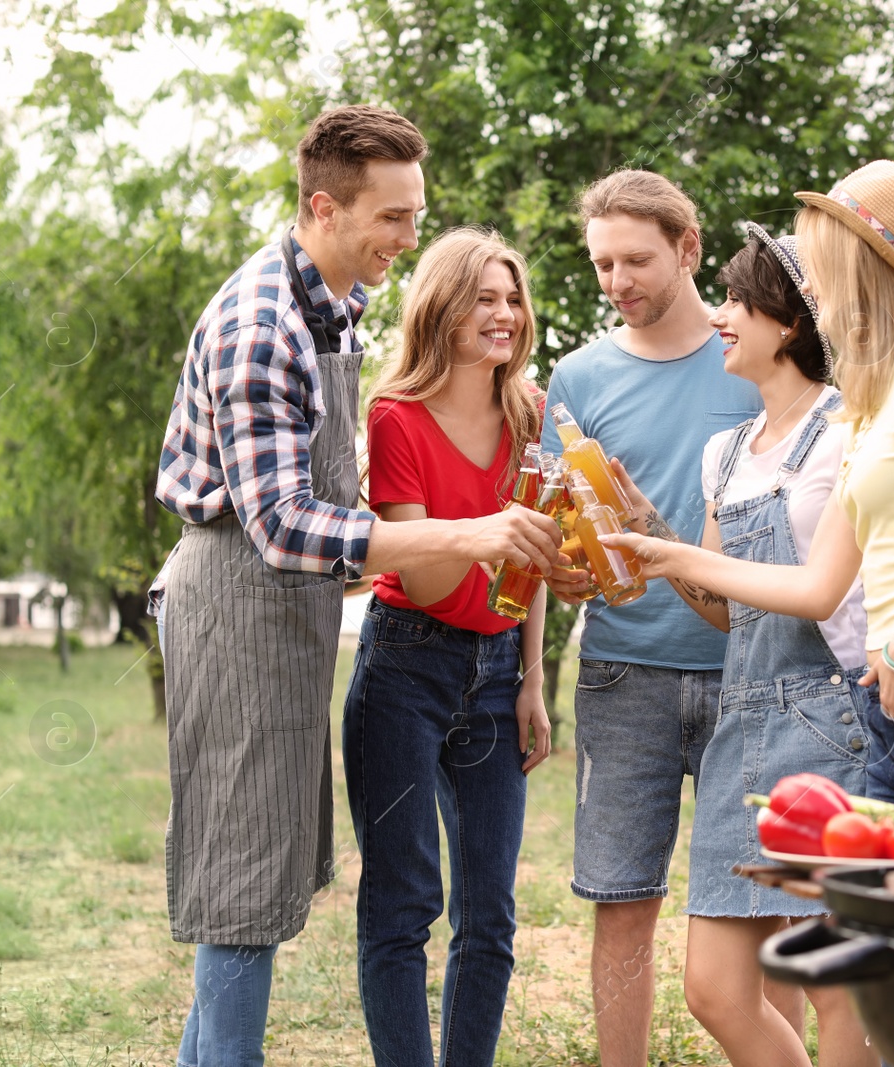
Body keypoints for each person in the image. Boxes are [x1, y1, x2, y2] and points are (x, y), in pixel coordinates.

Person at [148, 107, 561, 1067]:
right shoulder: (263, 326)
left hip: (288, 611)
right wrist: (472, 530)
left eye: (416, 216)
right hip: (237, 602)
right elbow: (284, 521)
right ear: (324, 208)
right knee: (245, 882)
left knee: (264, 873)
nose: (409, 241)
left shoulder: (333, 304)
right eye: (392, 220)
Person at [606, 159, 894, 827]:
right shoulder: (869, 400)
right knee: (874, 924)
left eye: (816, 264)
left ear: (856, 266)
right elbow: (817, 587)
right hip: (886, 709)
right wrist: (668, 555)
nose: (807, 282)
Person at [610, 226, 873, 1065]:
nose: (719, 316)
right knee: (716, 987)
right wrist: (643, 528)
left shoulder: (848, 434)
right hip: (742, 720)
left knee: (837, 983)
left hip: (830, 720)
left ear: (789, 322)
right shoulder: (723, 456)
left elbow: (817, 590)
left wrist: (676, 551)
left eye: (734, 299)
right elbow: (726, 608)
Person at [538, 169, 761, 1066]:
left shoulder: (754, 356)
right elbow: (565, 535)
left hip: (750, 672)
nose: (616, 281)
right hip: (622, 675)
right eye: (602, 265)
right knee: (622, 903)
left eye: (635, 259)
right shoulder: (579, 376)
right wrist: (566, 571)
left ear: (688, 249)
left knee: (762, 904)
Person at [341, 226, 553, 1066]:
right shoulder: (395, 416)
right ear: (443, 309)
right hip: (406, 665)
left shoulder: (529, 412)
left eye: (512, 298)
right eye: (484, 299)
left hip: (501, 671)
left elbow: (532, 557)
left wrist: (532, 679)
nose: (503, 314)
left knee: (490, 913)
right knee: (403, 901)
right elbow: (424, 578)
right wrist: (490, 532)